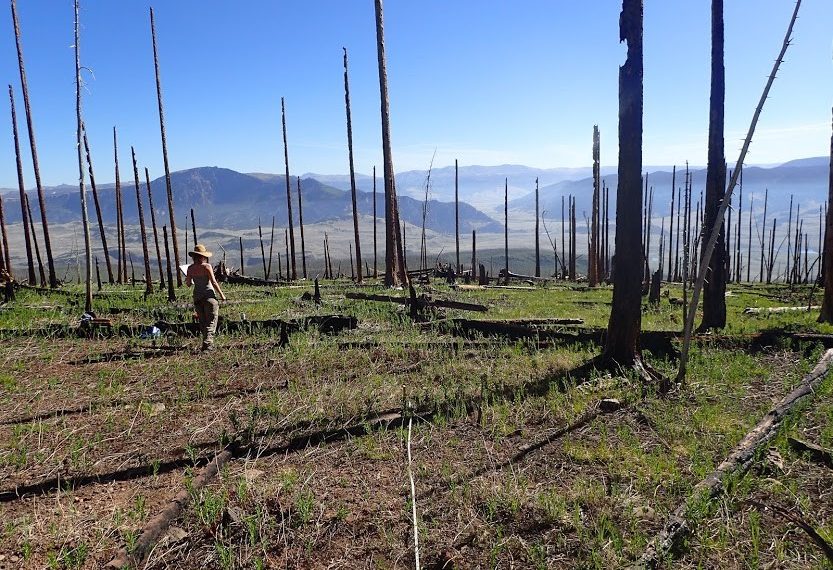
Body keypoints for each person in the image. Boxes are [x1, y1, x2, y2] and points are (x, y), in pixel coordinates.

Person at [185, 244, 227, 351]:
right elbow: (213, 282)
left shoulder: (190, 268)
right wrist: (222, 295)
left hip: (197, 297)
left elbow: (188, 284)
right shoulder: (207, 266)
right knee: (211, 321)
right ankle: (208, 344)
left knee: (203, 322)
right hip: (209, 297)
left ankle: (205, 343)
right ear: (203, 256)